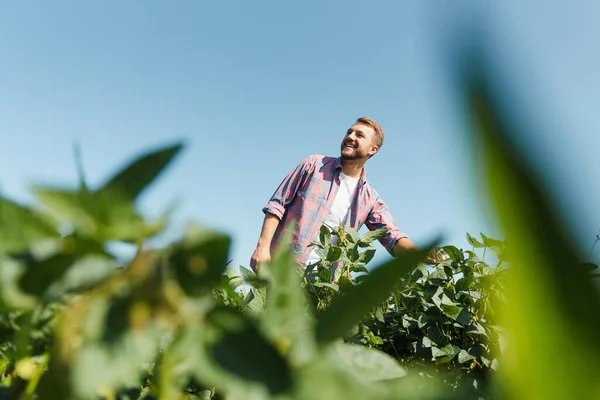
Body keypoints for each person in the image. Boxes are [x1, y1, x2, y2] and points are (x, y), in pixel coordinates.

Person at [250, 117, 440, 273]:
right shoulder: (313, 165)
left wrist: (421, 254)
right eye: (349, 132)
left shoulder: (369, 200)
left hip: (321, 284)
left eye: (359, 135)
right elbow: (277, 205)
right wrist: (262, 247)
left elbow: (392, 237)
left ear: (373, 149)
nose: (350, 137)